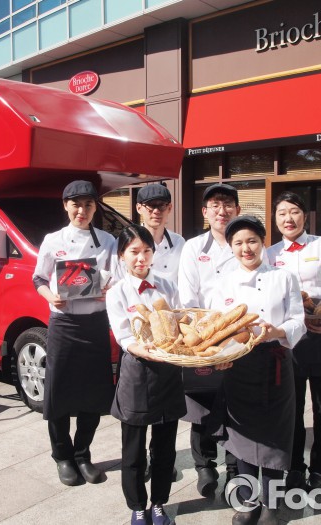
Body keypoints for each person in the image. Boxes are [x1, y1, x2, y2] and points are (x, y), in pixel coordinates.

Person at [213, 215, 306, 525]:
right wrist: (220, 356)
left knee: (275, 435)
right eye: (238, 243)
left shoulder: (284, 277)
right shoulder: (223, 282)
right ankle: (249, 500)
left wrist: (277, 331)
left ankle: (271, 503)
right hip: (238, 365)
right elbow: (217, 328)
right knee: (243, 435)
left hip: (275, 362)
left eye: (252, 241)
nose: (246, 248)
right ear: (231, 247)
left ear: (263, 242)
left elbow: (298, 321)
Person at [32, 180, 116, 486]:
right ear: (65, 206)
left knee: (92, 394)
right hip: (64, 324)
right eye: (76, 204)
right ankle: (62, 456)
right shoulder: (53, 240)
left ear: (95, 207)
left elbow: (117, 278)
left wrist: (108, 290)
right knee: (59, 394)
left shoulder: (107, 240)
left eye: (88, 205)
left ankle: (82, 454)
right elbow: (39, 278)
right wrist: (50, 296)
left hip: (95, 324)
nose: (82, 210)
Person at [266, 191, 321, 493]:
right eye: (282, 213)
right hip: (291, 340)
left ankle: (320, 469)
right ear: (275, 219)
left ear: (304, 215)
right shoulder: (270, 254)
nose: (288, 218)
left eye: (294, 211)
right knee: (292, 408)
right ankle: (295, 467)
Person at [106, 225, 185, 525]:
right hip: (137, 373)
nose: (141, 258)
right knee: (133, 451)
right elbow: (123, 336)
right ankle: (138, 507)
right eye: (134, 252)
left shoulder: (168, 285)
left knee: (164, 448)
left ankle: (159, 504)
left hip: (168, 373)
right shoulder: (117, 292)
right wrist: (143, 349)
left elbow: (180, 320)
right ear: (122, 255)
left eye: (147, 251)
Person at [177, 183, 240, 497]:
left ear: (237, 210)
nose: (221, 210)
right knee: (201, 401)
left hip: (238, 335)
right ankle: (204, 465)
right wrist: (206, 332)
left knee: (235, 403)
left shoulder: (245, 243)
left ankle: (235, 469)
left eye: (227, 204)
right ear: (205, 212)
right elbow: (187, 296)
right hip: (203, 335)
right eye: (215, 205)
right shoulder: (193, 248)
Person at [112, 183, 185, 282]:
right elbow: (116, 280)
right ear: (138, 208)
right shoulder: (125, 242)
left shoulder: (179, 242)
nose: (156, 211)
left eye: (161, 205)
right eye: (150, 206)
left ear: (169, 208)